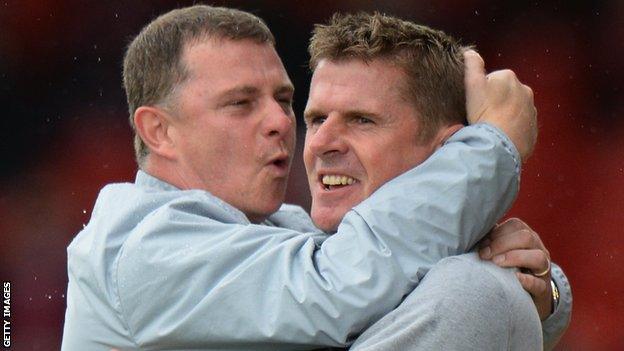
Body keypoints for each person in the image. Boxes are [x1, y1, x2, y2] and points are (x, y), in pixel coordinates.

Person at [60, 5, 569, 351]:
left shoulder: (283, 232)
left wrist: (539, 288)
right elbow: (342, 286)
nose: (285, 124)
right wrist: (490, 146)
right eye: (240, 103)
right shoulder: (142, 248)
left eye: (285, 101)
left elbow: (372, 284)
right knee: (471, 293)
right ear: (159, 131)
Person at [303, 12, 571, 350]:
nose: (320, 143)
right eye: (317, 119)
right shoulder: (267, 234)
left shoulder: (472, 289)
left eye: (361, 120)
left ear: (447, 149)